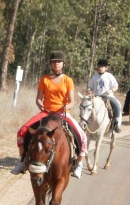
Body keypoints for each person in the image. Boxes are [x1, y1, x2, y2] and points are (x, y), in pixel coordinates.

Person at [10, 51, 87, 179]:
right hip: (46, 112)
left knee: (83, 137)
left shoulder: (68, 80)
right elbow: (38, 98)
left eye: (59, 62)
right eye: (54, 62)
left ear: (63, 64)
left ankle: (79, 164)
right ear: (50, 64)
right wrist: (40, 103)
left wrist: (66, 107)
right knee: (22, 131)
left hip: (62, 113)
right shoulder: (44, 79)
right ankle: (22, 161)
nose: (56, 64)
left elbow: (72, 101)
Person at [87, 59, 122, 133]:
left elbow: (116, 86)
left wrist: (111, 91)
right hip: (96, 97)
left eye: (102, 66)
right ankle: (85, 123)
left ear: (106, 68)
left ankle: (116, 123)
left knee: (117, 105)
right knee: (86, 105)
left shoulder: (109, 76)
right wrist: (89, 90)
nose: (100, 68)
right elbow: (90, 86)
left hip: (107, 96)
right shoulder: (94, 76)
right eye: (99, 66)